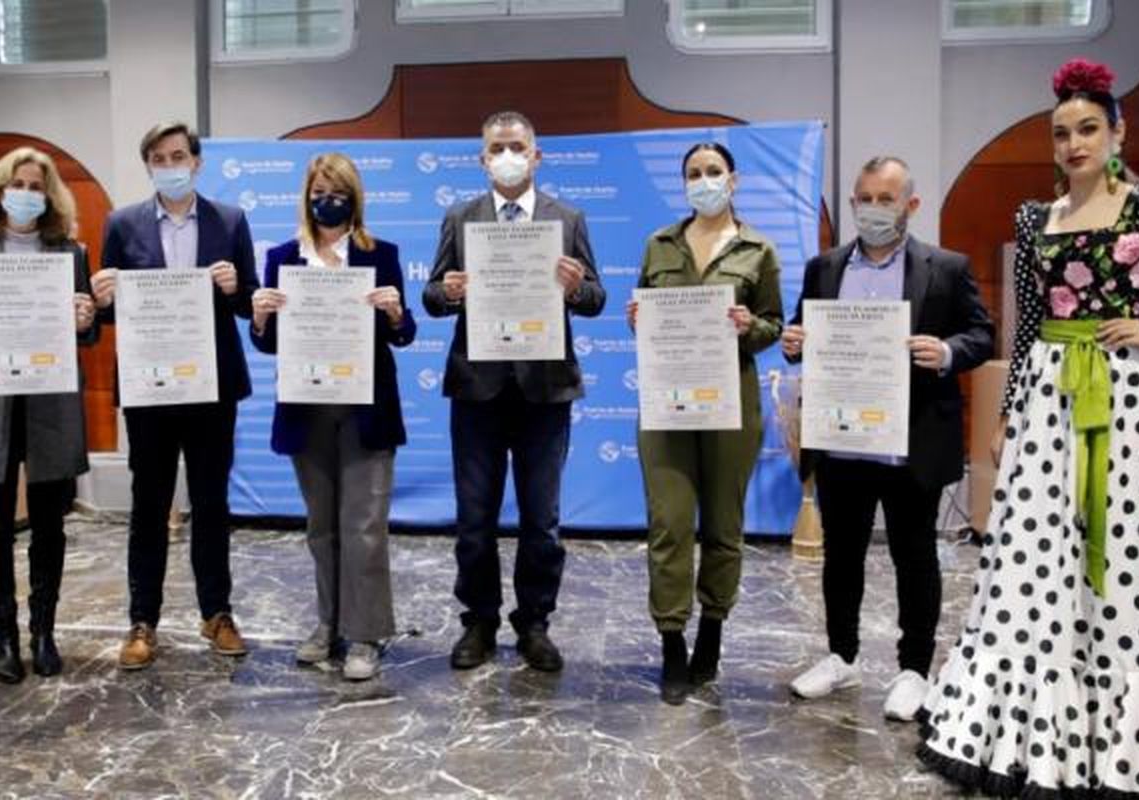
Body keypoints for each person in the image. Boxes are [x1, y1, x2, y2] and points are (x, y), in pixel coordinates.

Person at [917, 58, 1139, 797]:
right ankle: (1039, 726)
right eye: (1061, 133)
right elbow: (1023, 327)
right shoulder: (1032, 217)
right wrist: (1010, 414)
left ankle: (1135, 735)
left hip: (1130, 405)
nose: (1074, 143)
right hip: (1049, 397)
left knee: (1135, 560)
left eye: (1088, 129)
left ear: (1118, 131)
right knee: (1038, 561)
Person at [781, 156, 994, 721]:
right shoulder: (823, 266)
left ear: (911, 205)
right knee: (841, 557)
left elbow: (983, 335)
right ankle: (841, 656)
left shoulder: (945, 267)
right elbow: (802, 329)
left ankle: (913, 670)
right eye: (864, 197)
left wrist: (947, 352)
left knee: (914, 555)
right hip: (842, 436)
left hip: (911, 442)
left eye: (885, 198)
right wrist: (794, 341)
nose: (872, 209)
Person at [422, 110, 605, 672]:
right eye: (497, 147)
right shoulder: (460, 217)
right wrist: (447, 291)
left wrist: (576, 289)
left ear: (537, 154)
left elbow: (597, 297)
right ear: (482, 159)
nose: (508, 156)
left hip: (545, 391)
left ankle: (534, 623)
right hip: (477, 388)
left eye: (517, 146)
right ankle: (478, 621)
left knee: (541, 519)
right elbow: (431, 295)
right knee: (474, 518)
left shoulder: (566, 219)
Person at [90, 121, 258, 670]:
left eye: (178, 155)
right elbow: (112, 312)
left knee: (212, 502)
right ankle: (143, 621)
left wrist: (239, 289)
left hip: (213, 388)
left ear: (197, 161)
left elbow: (250, 302)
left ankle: (218, 612)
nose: (171, 164)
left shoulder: (230, 221)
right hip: (150, 387)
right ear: (149, 166)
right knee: (149, 504)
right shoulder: (122, 223)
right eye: (159, 158)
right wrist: (102, 296)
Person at [624, 142, 784, 705]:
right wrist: (637, 318)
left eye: (714, 171)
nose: (704, 180)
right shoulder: (659, 244)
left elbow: (773, 326)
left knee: (722, 525)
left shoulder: (758, 249)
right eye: (694, 173)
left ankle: (711, 636)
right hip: (667, 404)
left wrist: (749, 325)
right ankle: (671, 642)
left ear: (733, 180)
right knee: (668, 523)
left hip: (730, 403)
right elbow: (645, 318)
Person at [249, 153, 416, 681]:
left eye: (338, 189)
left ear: (354, 197)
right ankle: (329, 625)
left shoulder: (380, 254)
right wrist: (258, 317)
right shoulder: (282, 257)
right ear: (307, 195)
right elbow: (272, 344)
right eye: (320, 189)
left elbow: (403, 334)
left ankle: (365, 635)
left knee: (364, 525)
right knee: (322, 528)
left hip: (366, 406)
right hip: (306, 406)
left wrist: (394, 311)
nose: (329, 198)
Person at [0, 146, 98, 684]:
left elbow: (90, 329)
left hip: (50, 401)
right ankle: (3, 635)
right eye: (18, 184)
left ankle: (43, 631)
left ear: (49, 197)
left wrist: (86, 318)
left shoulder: (69, 252)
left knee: (50, 523)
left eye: (36, 186)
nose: (26, 194)